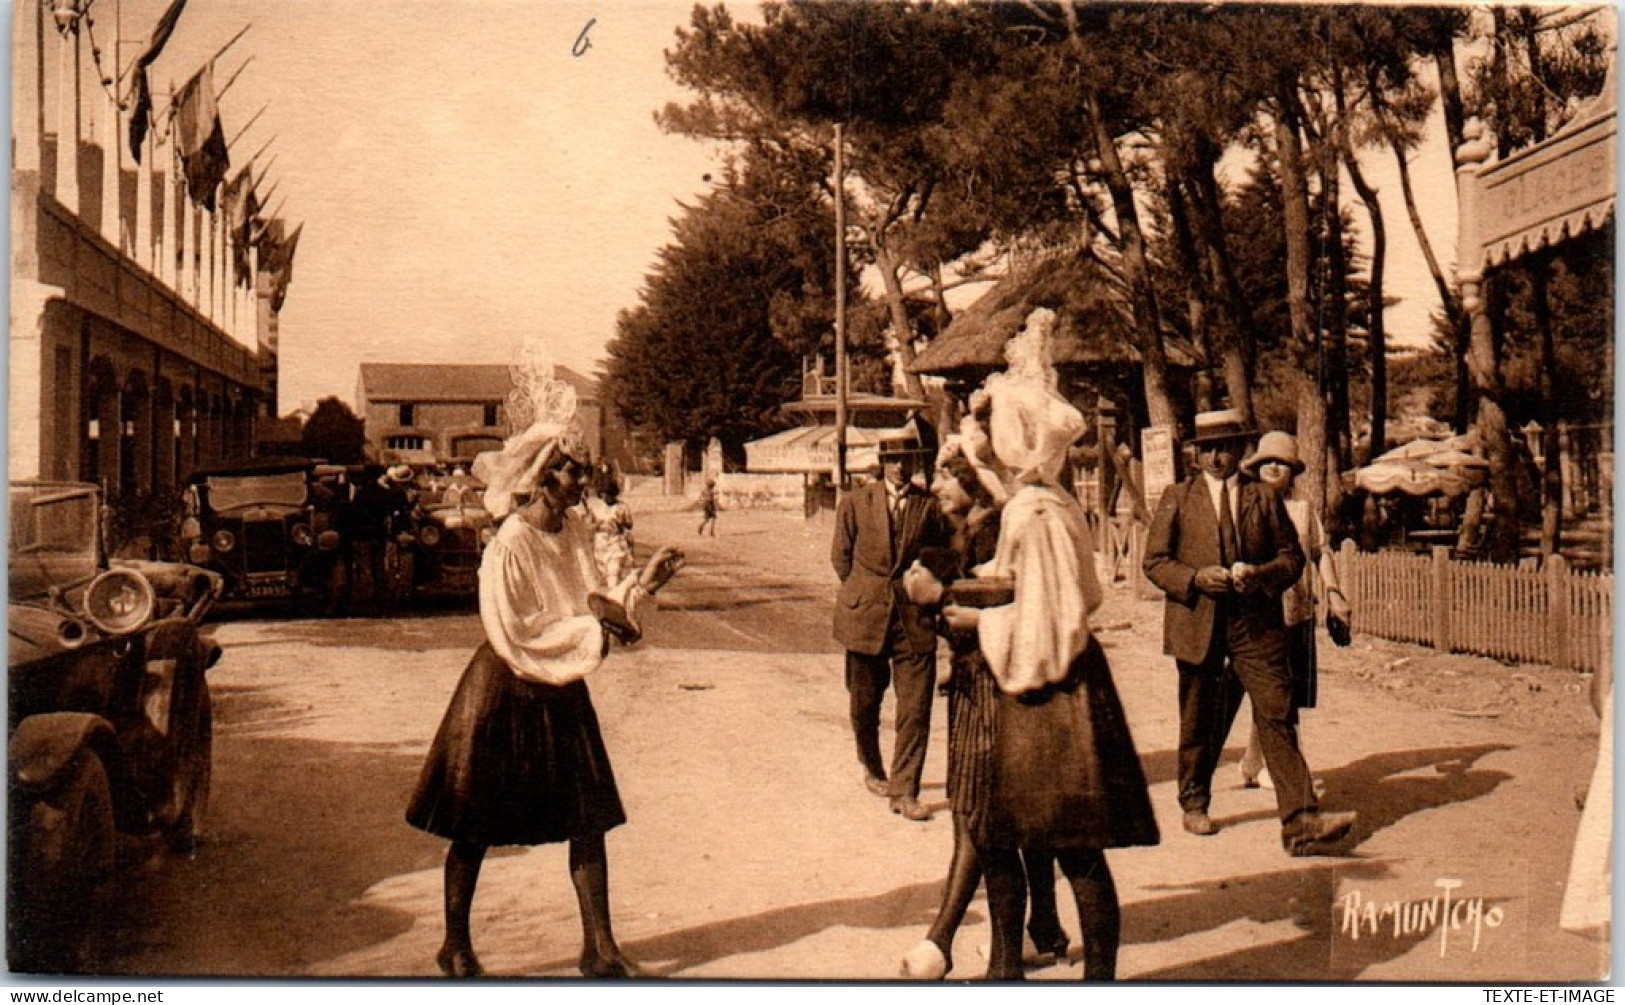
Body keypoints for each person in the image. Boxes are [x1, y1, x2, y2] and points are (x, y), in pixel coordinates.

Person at [405, 388, 683, 979]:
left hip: (559, 685)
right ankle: (455, 944)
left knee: (590, 818)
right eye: (567, 470)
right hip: (506, 686)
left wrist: (645, 585)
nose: (579, 480)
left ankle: (600, 949)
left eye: (580, 470)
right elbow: (519, 629)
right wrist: (595, 627)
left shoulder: (573, 532)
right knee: (474, 824)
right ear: (540, 475)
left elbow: (597, 605)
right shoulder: (511, 543)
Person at [935, 309, 1158, 980]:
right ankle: (1006, 969)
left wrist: (975, 620)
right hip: (1034, 688)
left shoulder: (1036, 513)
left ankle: (1094, 983)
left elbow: (1051, 624)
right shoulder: (1045, 501)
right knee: (1008, 839)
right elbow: (1069, 597)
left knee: (1072, 845)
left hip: (1047, 690)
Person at [1143, 409, 1357, 856]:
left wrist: (1259, 576)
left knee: (1277, 712)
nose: (1216, 457)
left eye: (1225, 448)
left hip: (1255, 624)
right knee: (1200, 714)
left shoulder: (1261, 497)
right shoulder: (1176, 497)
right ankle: (1194, 799)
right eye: (1207, 450)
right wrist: (1197, 578)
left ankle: (1300, 822)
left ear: (1242, 451)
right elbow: (1156, 563)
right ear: (1196, 455)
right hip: (1198, 620)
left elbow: (1292, 558)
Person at [898, 435, 1071, 979]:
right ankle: (1035, 929)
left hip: (1000, 682)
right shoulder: (963, 528)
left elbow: (997, 606)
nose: (938, 484)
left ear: (975, 480)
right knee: (996, 819)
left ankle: (945, 940)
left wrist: (939, 598)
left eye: (950, 474)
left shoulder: (998, 527)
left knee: (981, 818)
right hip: (979, 679)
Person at [830, 427, 949, 821]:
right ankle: (872, 766)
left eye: (906, 460)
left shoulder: (928, 506)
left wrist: (922, 591)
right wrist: (865, 592)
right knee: (863, 704)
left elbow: (942, 556)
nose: (899, 467)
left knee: (914, 708)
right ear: (881, 464)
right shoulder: (855, 502)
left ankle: (904, 790)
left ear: (915, 463)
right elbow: (841, 559)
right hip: (865, 616)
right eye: (892, 460)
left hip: (913, 618)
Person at [1235, 431, 1354, 789]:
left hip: (1296, 612)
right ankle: (1280, 767)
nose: (1274, 467)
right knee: (1273, 692)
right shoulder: (1244, 505)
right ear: (1256, 468)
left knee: (1285, 692)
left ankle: (1254, 761)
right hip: (1256, 615)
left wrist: (1333, 593)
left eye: (1282, 463)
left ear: (1292, 472)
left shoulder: (1302, 512)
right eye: (1267, 461)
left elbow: (1320, 553)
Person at [586, 474, 636, 585]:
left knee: (613, 576)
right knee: (601, 576)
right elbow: (588, 526)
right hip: (600, 545)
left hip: (616, 544)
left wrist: (620, 522)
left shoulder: (621, 507)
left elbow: (629, 525)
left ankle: (614, 597)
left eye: (609, 495)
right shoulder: (596, 507)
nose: (606, 497)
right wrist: (597, 525)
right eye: (604, 495)